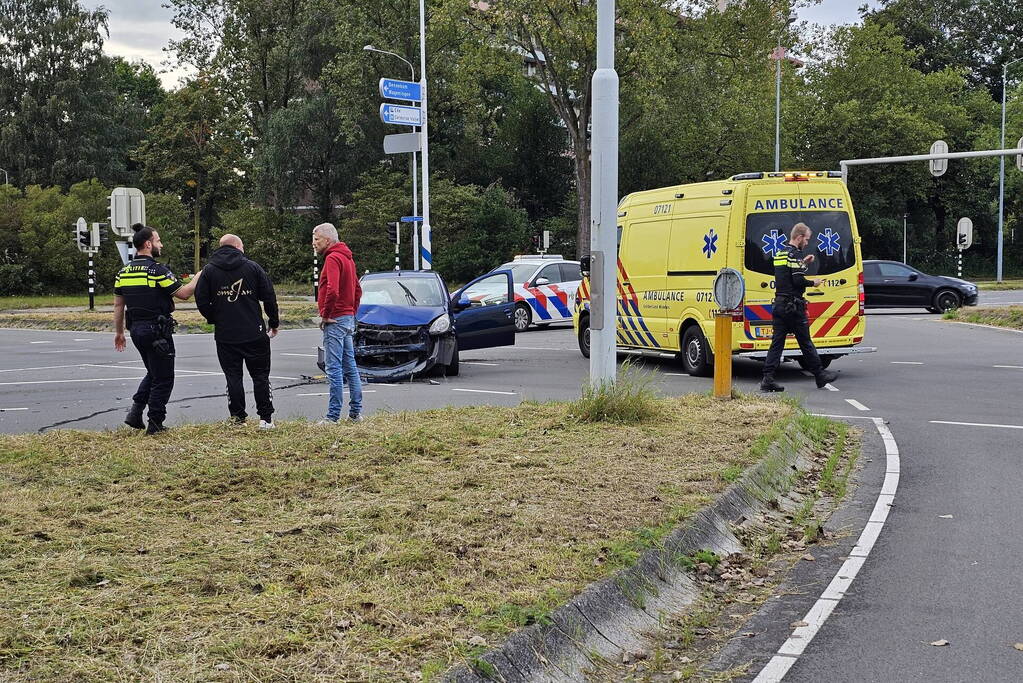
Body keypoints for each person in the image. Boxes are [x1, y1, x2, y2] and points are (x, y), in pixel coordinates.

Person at [113, 224, 202, 434]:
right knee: (164, 377)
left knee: (153, 372)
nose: (161, 244)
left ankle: (135, 413)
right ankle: (155, 423)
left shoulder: (123, 272)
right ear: (148, 244)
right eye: (158, 240)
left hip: (136, 330)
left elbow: (118, 305)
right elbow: (183, 294)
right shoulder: (157, 270)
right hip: (157, 331)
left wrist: (119, 333)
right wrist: (199, 276)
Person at [195, 234, 280, 429]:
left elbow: (201, 299)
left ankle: (238, 417)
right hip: (254, 332)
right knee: (260, 376)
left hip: (226, 334)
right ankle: (265, 419)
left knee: (233, 376)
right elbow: (269, 296)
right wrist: (273, 321)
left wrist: (214, 318)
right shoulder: (252, 267)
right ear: (238, 246)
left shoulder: (209, 271)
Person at [761, 222, 839, 393]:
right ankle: (820, 375)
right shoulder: (795, 255)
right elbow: (797, 280)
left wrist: (803, 263)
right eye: (807, 239)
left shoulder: (781, 253)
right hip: (794, 307)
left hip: (780, 304)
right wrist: (814, 282)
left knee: (777, 344)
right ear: (799, 237)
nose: (807, 243)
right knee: (805, 342)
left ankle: (768, 378)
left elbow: (787, 275)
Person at [312, 222, 363, 423]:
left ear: (328, 239)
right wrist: (351, 311)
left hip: (335, 319)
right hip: (347, 317)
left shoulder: (333, 258)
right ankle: (355, 413)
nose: (314, 244)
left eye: (316, 239)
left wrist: (326, 314)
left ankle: (332, 417)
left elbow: (332, 289)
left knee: (333, 368)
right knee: (350, 365)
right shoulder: (348, 258)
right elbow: (357, 290)